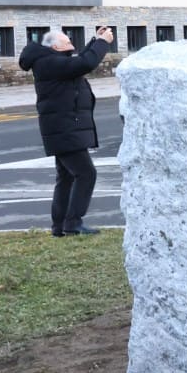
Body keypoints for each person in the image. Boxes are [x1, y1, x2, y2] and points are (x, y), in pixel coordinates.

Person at [18, 26, 115, 237]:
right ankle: (72, 224)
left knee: (66, 177)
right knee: (86, 173)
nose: (72, 45)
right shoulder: (49, 63)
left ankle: (60, 226)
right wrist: (103, 43)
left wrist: (94, 40)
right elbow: (85, 63)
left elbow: (78, 60)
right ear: (54, 47)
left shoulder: (51, 61)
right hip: (65, 130)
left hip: (63, 130)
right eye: (67, 42)